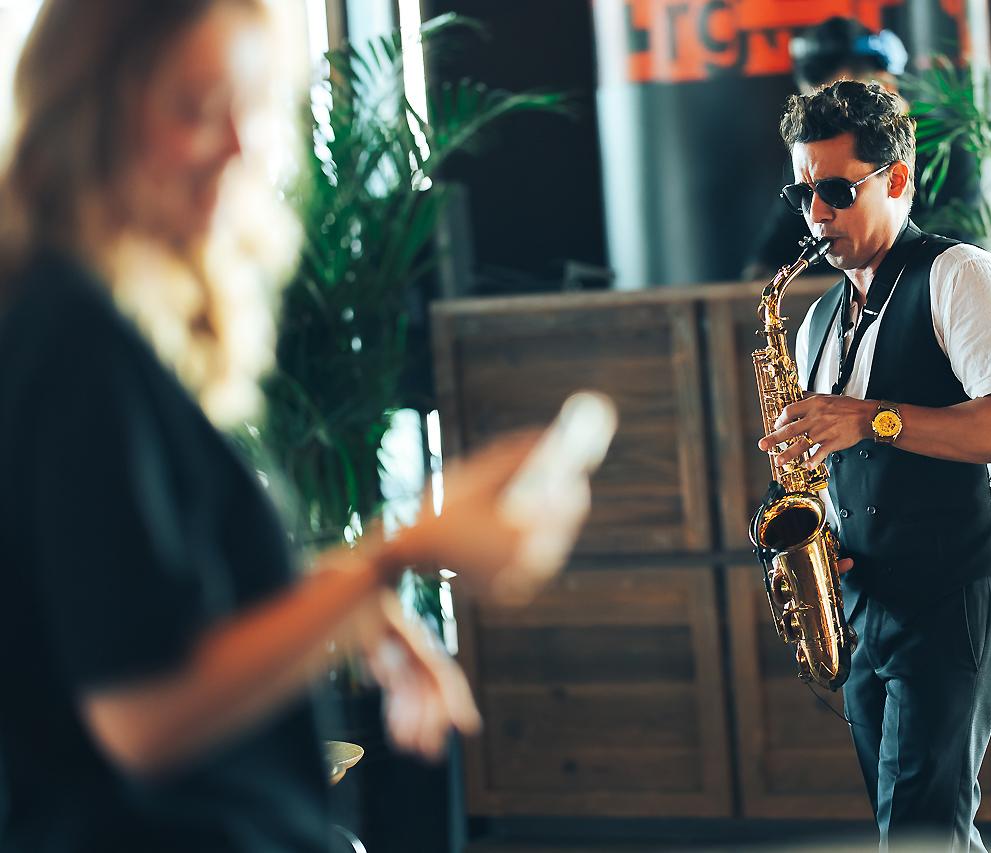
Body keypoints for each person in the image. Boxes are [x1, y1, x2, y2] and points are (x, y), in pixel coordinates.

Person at [0, 1, 589, 850]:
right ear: (87, 115)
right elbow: (141, 714)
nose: (241, 147)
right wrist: (393, 557)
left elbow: (142, 603)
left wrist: (352, 599)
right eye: (198, 110)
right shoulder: (73, 341)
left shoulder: (85, 320)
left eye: (252, 110)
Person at [757, 80, 991, 851]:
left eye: (835, 191)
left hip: (960, 587)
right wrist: (810, 544)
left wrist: (869, 418)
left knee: (919, 829)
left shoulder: (962, 275)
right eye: (802, 193)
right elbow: (824, 475)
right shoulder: (818, 321)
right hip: (869, 604)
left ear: (896, 180)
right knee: (916, 827)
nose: (816, 215)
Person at [742, 18, 907, 280]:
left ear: (885, 85)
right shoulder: (812, 161)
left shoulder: (948, 150)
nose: (817, 213)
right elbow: (772, 250)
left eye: (842, 112)